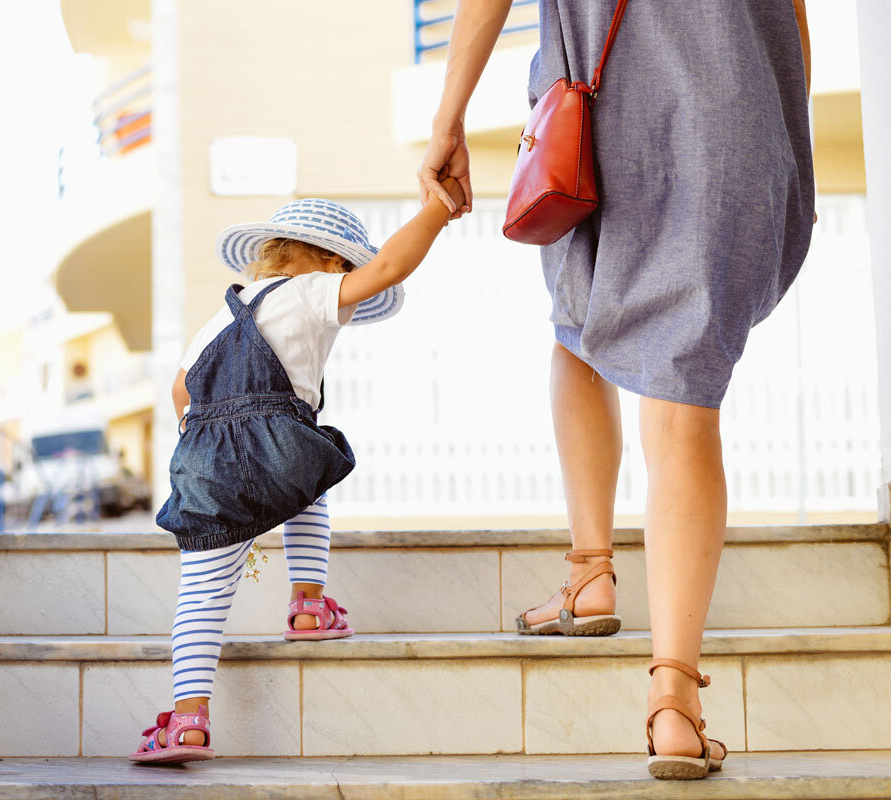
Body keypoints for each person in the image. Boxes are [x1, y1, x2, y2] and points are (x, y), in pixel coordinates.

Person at [419, 0, 813, 780]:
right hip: (734, 113)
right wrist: (779, 123)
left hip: (597, 106)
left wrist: (449, 116)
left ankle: (590, 573)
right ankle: (674, 703)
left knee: (581, 326)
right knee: (683, 406)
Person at [130, 179, 466, 764]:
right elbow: (388, 266)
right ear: (332, 262)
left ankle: (187, 720)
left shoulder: (222, 313)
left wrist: (213, 468)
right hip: (278, 442)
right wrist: (437, 211)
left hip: (204, 457)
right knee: (306, 472)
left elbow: (182, 390)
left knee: (201, 594)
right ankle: (308, 604)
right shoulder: (312, 291)